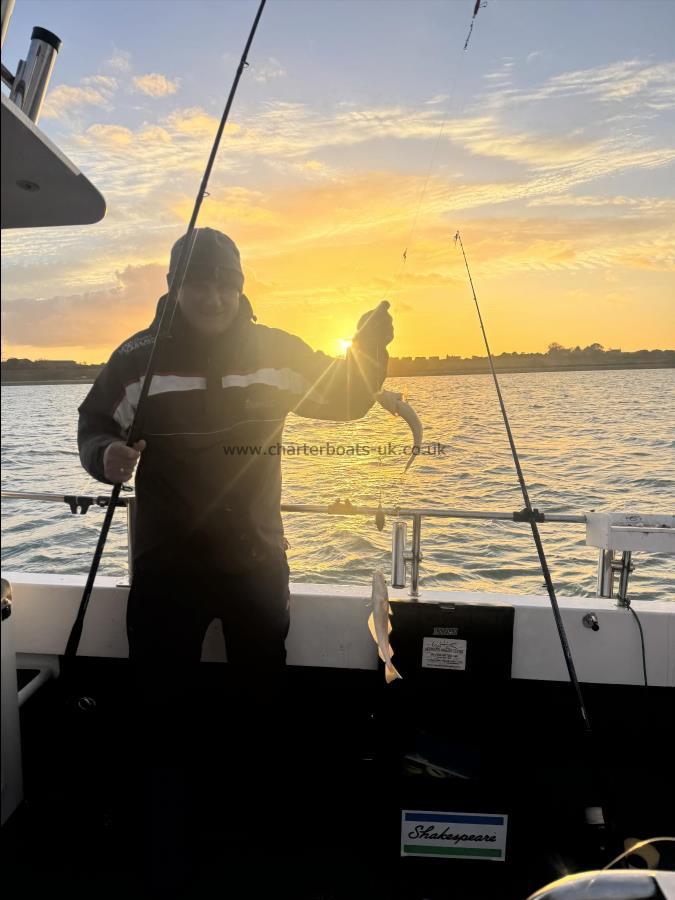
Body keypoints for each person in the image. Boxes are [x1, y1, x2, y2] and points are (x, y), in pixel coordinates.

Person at [77, 227, 393, 894]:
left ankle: (260, 841)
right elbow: (93, 420)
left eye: (225, 281)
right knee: (160, 707)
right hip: (166, 562)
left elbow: (341, 399)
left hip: (254, 556)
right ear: (174, 288)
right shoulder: (138, 358)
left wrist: (368, 349)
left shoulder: (275, 350)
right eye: (199, 282)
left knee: (261, 698)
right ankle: (164, 850)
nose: (214, 295)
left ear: (241, 284)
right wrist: (107, 457)